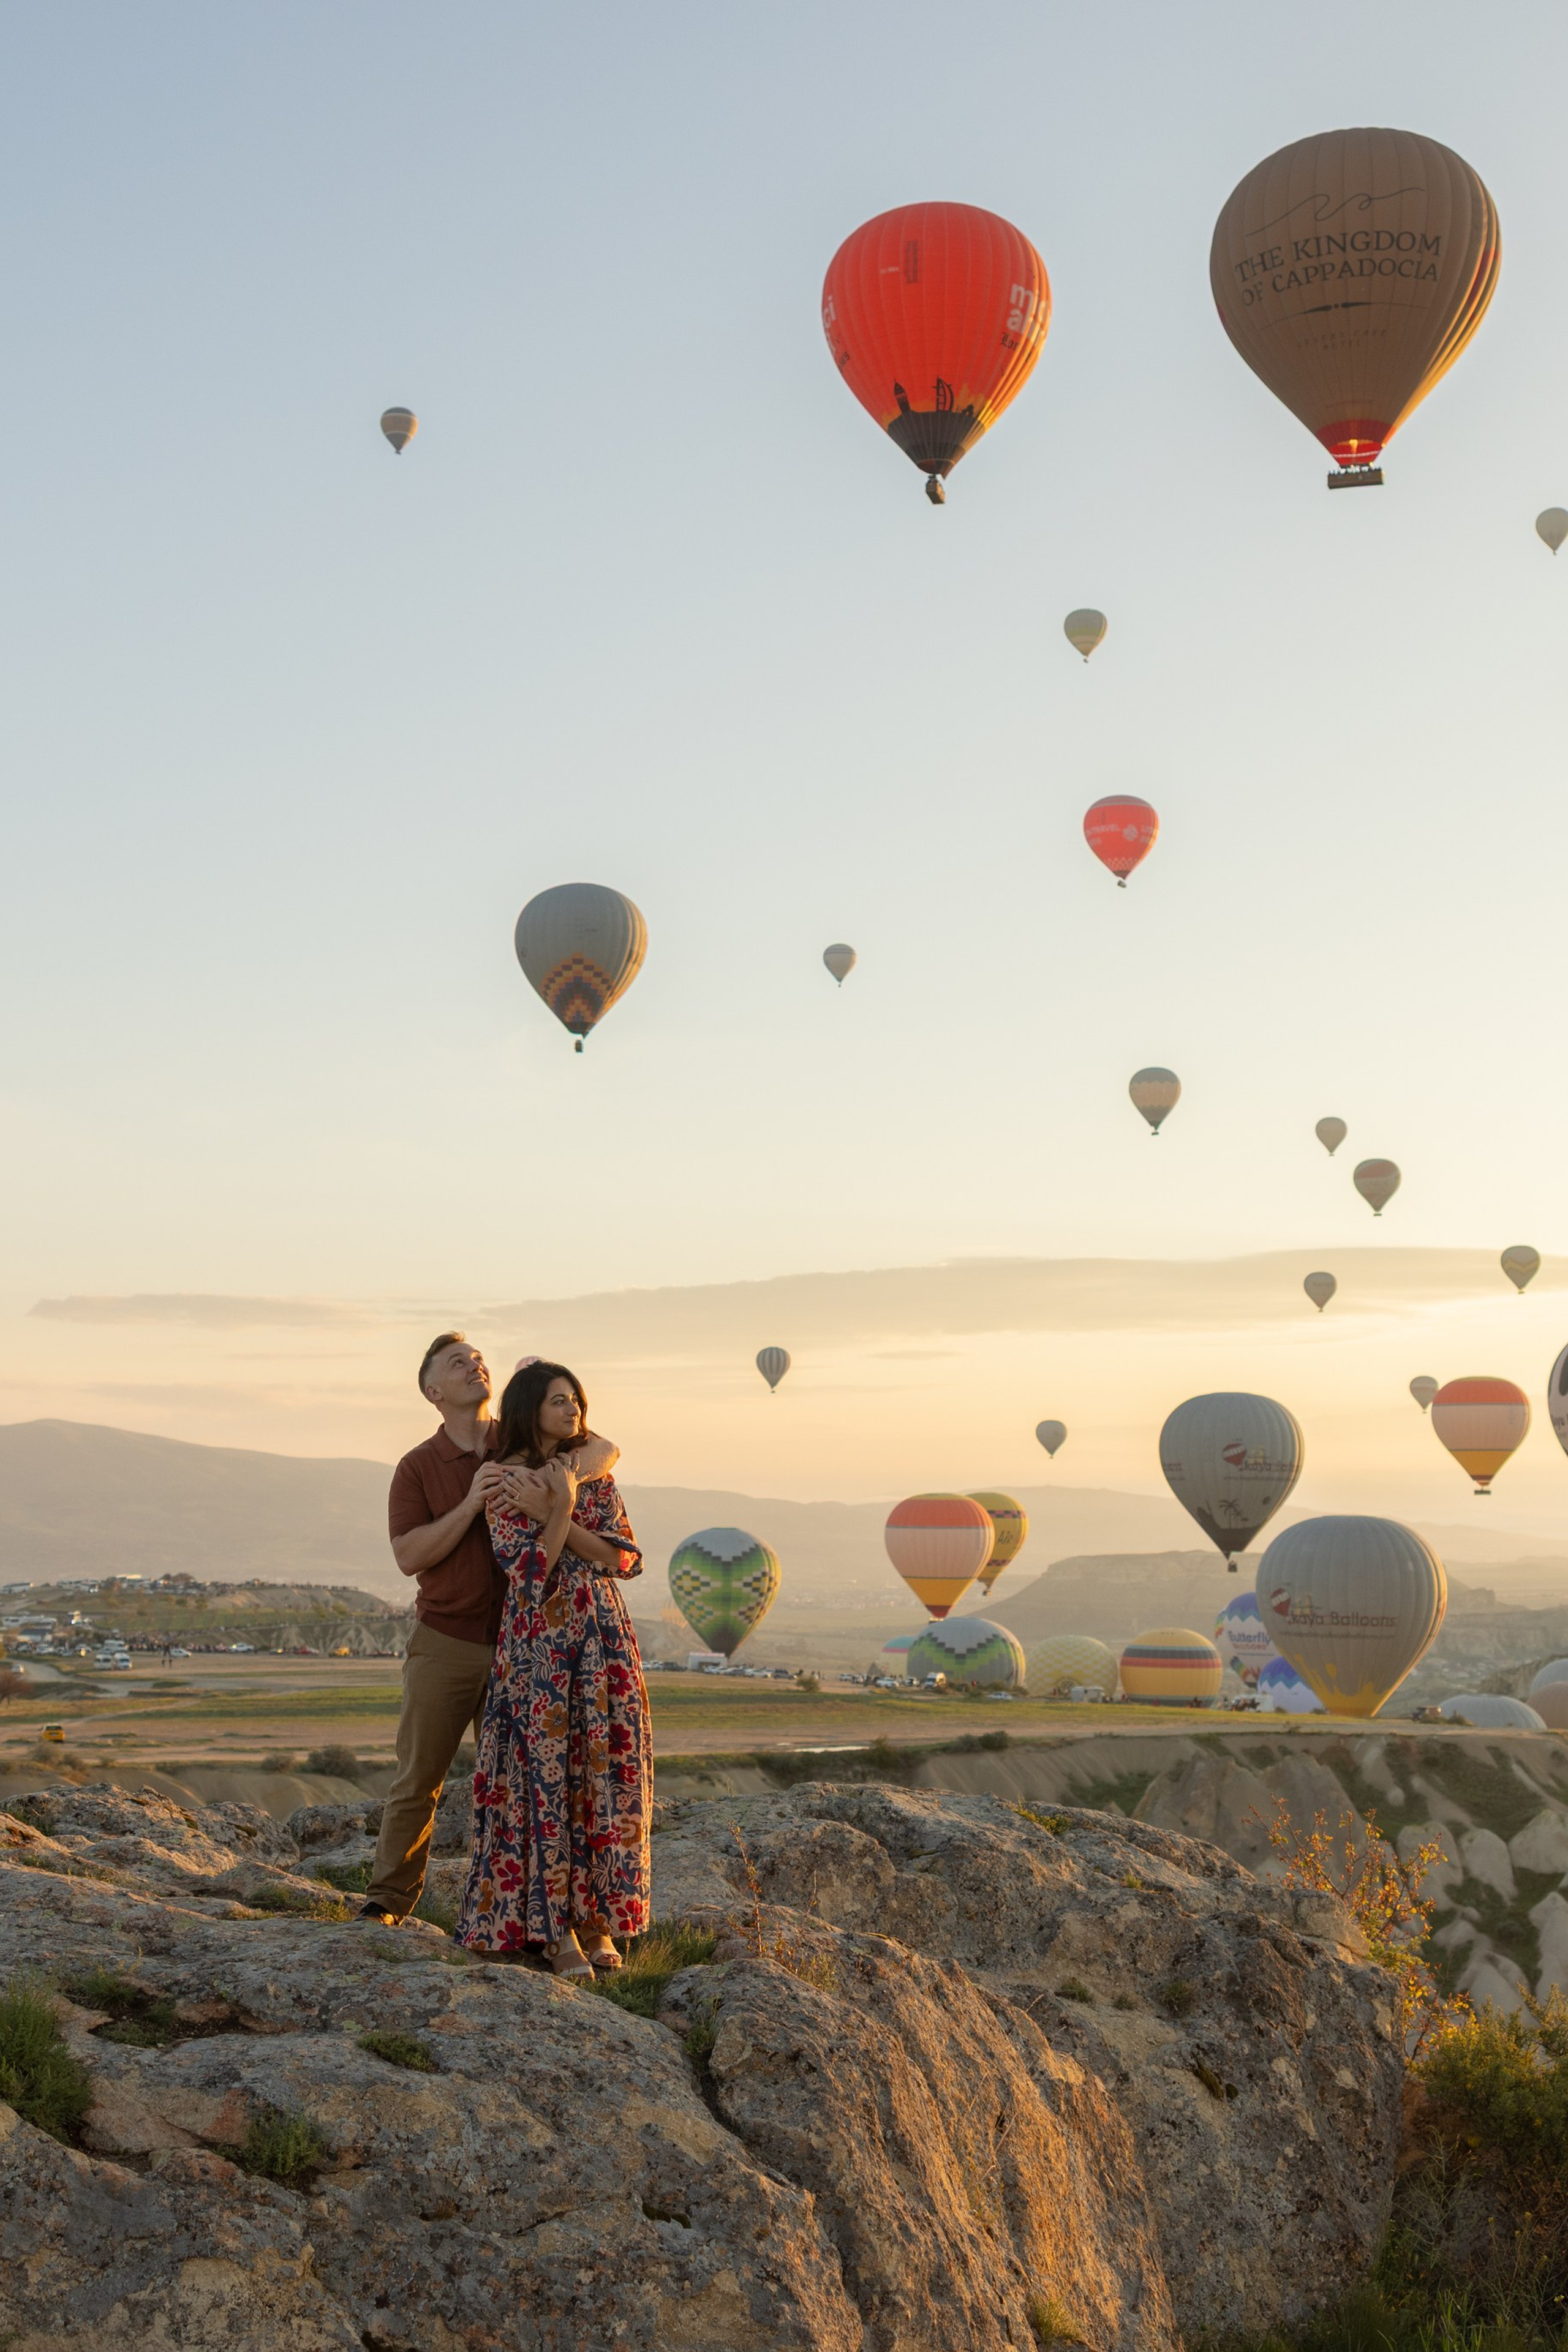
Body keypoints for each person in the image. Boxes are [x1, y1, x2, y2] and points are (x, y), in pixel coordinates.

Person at [358, 1333, 617, 1925]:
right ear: (434, 1390)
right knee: (419, 1776)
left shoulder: (521, 1436)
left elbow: (606, 1447)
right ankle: (388, 1901)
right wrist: (472, 1503)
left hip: (526, 1642)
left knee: (522, 1784)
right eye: (458, 1363)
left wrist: (560, 1480)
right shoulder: (417, 1467)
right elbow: (408, 1555)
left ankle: (520, 1914)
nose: (475, 1366)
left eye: (478, 1360)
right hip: (446, 1642)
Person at [457, 1359, 650, 1977]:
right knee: (544, 1779)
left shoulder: (591, 1475)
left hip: (602, 1644)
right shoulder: (504, 1484)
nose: (573, 1411)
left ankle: (598, 1925)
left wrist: (562, 1503)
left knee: (601, 1777)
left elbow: (621, 1559)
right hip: (540, 1644)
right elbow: (530, 1570)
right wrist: (558, 1511)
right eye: (558, 1401)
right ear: (529, 1409)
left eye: (577, 1401)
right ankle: (552, 1929)